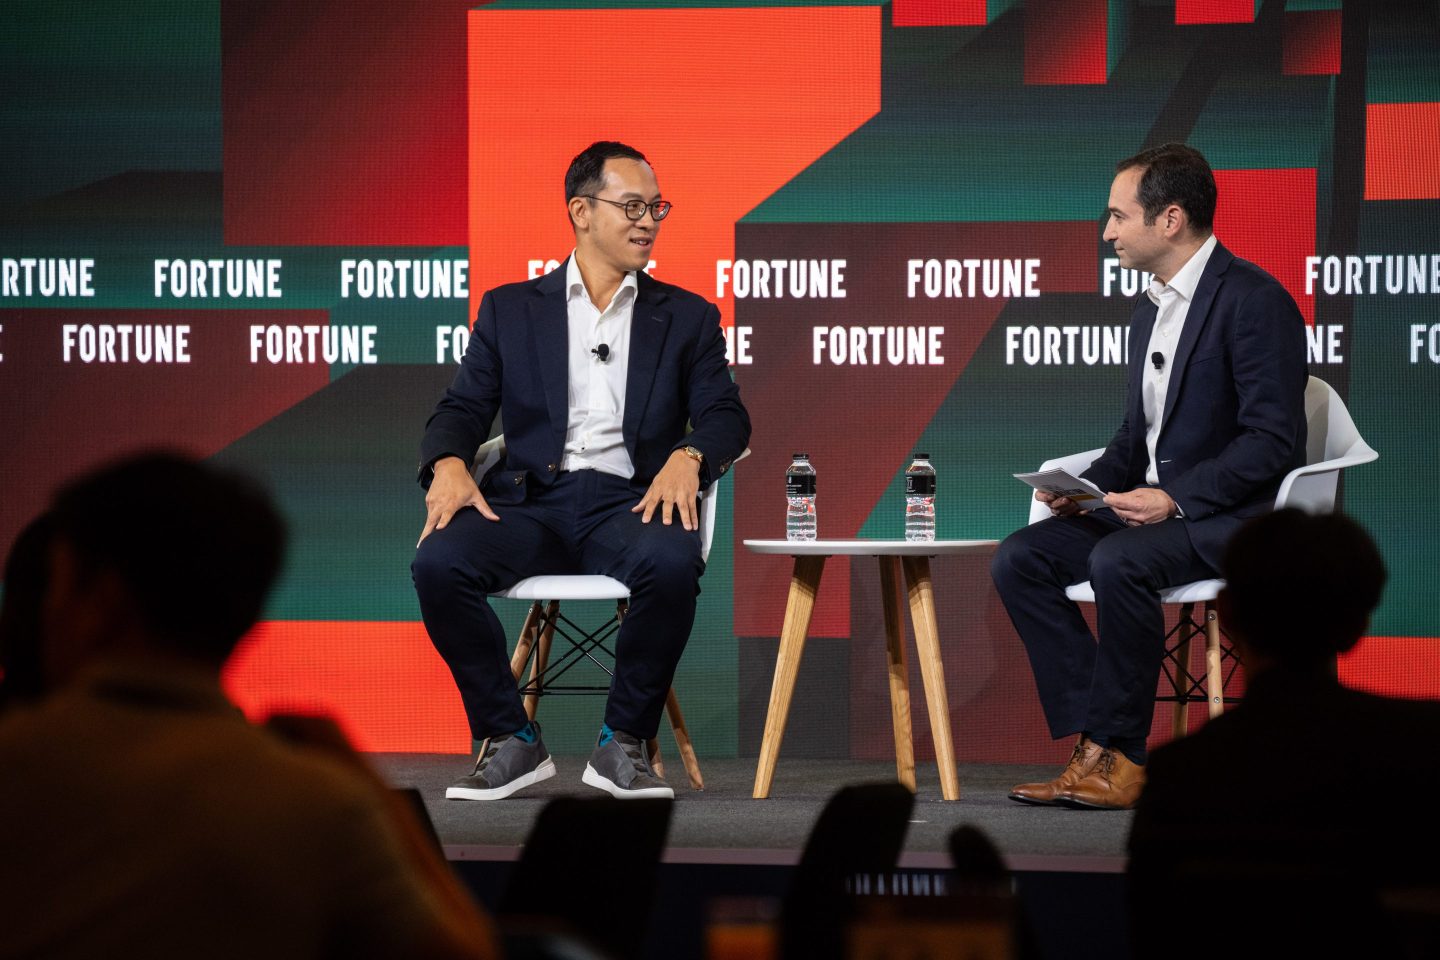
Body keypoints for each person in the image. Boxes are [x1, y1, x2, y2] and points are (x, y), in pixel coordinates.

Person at [0, 453, 498, 959]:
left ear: (101, 601)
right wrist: (369, 789)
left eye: (54, 585)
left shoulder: (15, 765)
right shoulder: (320, 805)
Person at [412, 141, 750, 802]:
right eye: (633, 207)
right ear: (581, 211)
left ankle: (623, 743)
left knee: (672, 562)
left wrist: (689, 457)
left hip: (630, 504)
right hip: (531, 503)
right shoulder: (511, 310)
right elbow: (461, 408)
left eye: (656, 208)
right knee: (438, 563)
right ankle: (510, 738)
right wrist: (448, 462)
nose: (648, 222)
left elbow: (726, 417)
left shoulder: (687, 318)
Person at [991, 143, 1308, 810]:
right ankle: (1094, 743)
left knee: (1119, 560)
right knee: (1021, 557)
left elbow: (1273, 442)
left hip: (1235, 519)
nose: (1106, 233)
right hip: (1161, 516)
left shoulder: (1253, 301)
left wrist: (1174, 499)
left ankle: (1125, 757)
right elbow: (1136, 439)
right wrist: (1082, 490)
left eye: (1117, 216)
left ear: (1170, 219)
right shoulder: (1150, 309)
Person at [1127, 510, 1440, 956]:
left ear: (1226, 613)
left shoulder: (1178, 774)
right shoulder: (1422, 744)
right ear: (1359, 624)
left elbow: (1150, 931)